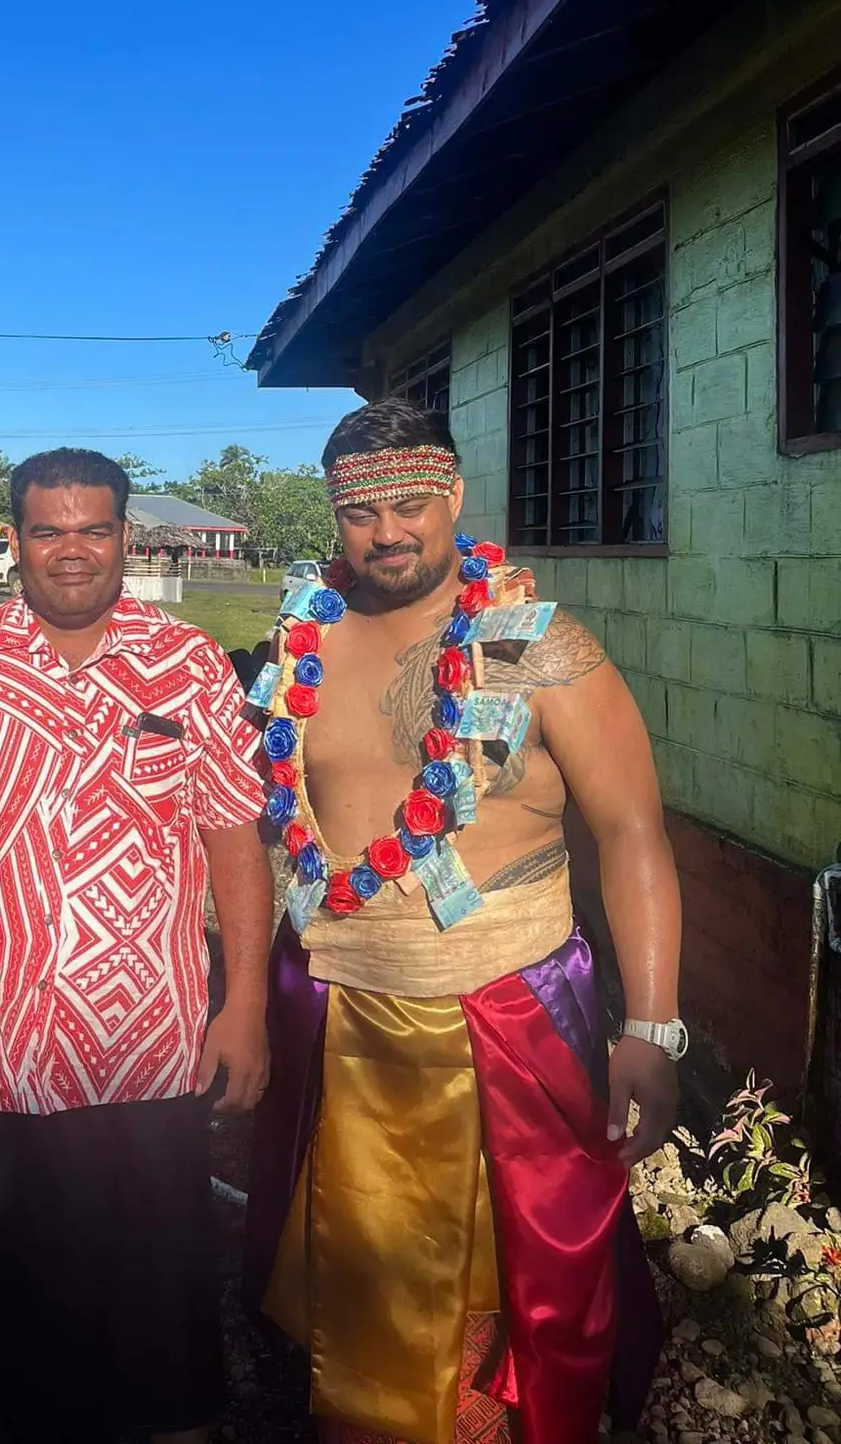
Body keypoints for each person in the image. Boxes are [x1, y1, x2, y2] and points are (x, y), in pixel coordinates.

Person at [242, 398, 680, 1444]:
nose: (388, 530)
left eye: (410, 502)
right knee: (348, 1286)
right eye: (361, 511)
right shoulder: (298, 640)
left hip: (506, 1014)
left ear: (455, 496)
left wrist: (653, 1027)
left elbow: (631, 830)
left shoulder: (539, 645)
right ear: (334, 514)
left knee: (513, 1316)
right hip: (334, 1007)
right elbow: (252, 823)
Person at [0, 447, 274, 1444]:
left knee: (166, 1367)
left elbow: (235, 841)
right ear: (16, 538)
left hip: (147, 1060)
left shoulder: (189, 665)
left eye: (93, 528)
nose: (71, 550)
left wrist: (242, 1004)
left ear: (126, 534)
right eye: (46, 529)